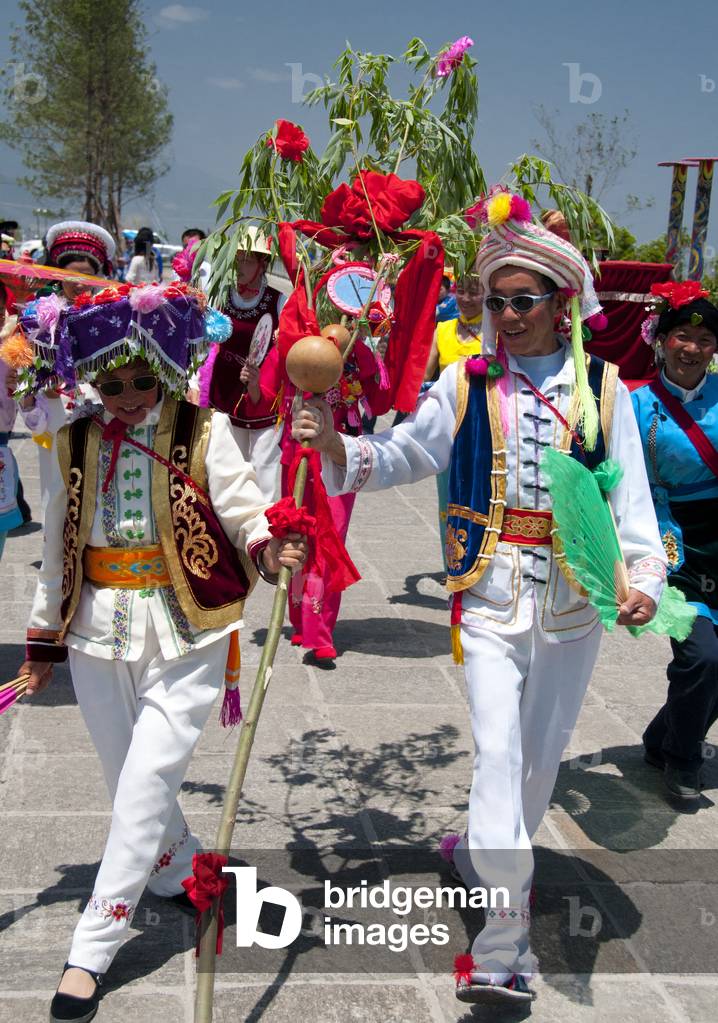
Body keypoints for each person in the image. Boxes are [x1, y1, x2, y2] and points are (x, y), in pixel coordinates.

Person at [292, 190, 666, 1003]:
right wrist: (335, 443)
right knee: (498, 754)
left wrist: (643, 581)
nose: (505, 314)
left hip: (574, 607)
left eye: (521, 301)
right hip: (489, 599)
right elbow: (400, 455)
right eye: (494, 301)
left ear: (561, 304)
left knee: (535, 768)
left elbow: (630, 504)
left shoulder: (605, 390)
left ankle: (478, 853)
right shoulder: (465, 382)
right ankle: (503, 948)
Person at [16, 279, 307, 1022]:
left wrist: (271, 547)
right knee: (130, 784)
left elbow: (244, 507)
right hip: (95, 633)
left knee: (145, 783)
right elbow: (55, 546)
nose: (128, 396)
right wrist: (42, 640)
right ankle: (182, 869)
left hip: (191, 628)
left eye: (143, 379)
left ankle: (92, 945)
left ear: (167, 367)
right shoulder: (75, 438)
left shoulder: (202, 429)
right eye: (110, 383)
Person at [632, 282, 718, 800]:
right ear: (661, 341)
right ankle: (683, 761)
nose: (692, 348)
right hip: (672, 540)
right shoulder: (634, 404)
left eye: (705, 340)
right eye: (682, 336)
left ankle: (662, 735)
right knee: (703, 656)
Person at [199, 229, 285, 501]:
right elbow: (202, 344)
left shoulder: (278, 301)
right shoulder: (219, 298)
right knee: (223, 468)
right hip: (222, 391)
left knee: (264, 473)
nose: (240, 267)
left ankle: (265, 531)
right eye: (236, 259)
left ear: (262, 264)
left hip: (262, 396)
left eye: (248, 260)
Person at [423, 272, 484, 570]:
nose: (467, 298)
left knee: (481, 497)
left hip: (484, 427)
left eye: (475, 292)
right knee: (448, 501)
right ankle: (453, 566)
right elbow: (424, 376)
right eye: (463, 291)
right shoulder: (442, 329)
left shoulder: (495, 331)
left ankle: (482, 560)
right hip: (449, 428)